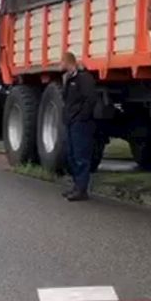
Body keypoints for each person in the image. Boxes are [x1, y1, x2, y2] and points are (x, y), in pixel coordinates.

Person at [61, 51, 97, 201]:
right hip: (70, 121)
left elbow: (90, 99)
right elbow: (67, 99)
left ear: (67, 61)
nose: (60, 65)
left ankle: (82, 189)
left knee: (81, 155)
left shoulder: (83, 78)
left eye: (61, 62)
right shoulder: (69, 79)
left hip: (80, 122)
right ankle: (76, 186)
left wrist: (81, 117)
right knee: (71, 154)